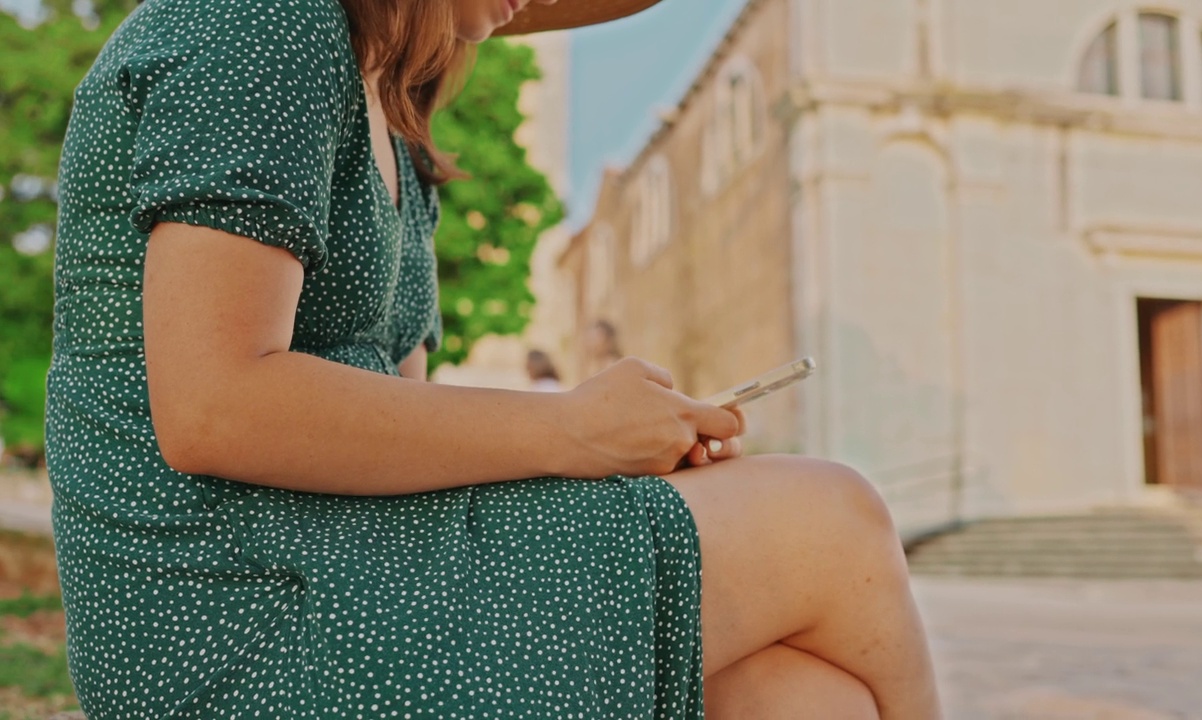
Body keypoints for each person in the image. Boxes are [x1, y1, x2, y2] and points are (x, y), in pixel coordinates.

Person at [46, 0, 940, 717]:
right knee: (833, 521)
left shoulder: (386, 109)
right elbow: (215, 404)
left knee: (801, 699)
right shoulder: (261, 18)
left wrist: (615, 451)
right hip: (226, 608)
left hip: (343, 557)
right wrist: (575, 430)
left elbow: (403, 438)